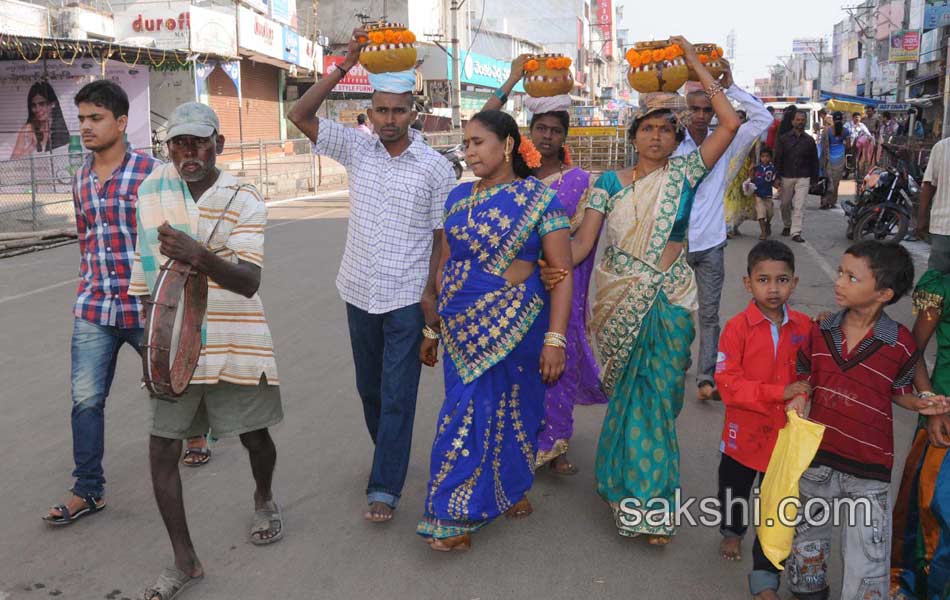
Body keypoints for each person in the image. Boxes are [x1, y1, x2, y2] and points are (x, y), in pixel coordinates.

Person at [564, 36, 740, 544]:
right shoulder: (609, 185)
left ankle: (643, 492)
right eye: (649, 129)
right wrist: (545, 265)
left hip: (671, 298)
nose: (658, 137)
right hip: (619, 299)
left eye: (667, 129)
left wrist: (692, 65)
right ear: (634, 136)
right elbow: (582, 247)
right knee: (629, 401)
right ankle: (643, 503)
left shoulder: (687, 173)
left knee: (660, 403)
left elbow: (729, 123)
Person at [288, 29, 456, 523]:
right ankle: (389, 452)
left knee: (399, 394)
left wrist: (432, 300)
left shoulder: (435, 168)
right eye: (381, 110)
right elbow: (299, 115)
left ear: (414, 112)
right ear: (370, 113)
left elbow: (441, 241)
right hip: (358, 290)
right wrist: (345, 63)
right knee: (371, 391)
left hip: (406, 297)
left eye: (398, 110)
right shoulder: (356, 149)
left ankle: (384, 485)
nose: (389, 119)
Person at [128, 102, 284, 598]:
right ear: (168, 146)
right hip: (174, 343)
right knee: (161, 447)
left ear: (219, 142)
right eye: (178, 143)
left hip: (236, 338)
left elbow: (248, 280)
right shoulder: (151, 192)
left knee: (254, 437)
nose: (188, 152)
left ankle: (264, 497)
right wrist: (152, 349)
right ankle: (184, 559)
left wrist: (198, 254)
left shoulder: (243, 195)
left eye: (198, 141)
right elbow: (145, 279)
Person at [415, 109, 574, 551]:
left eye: (477, 142)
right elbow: (446, 262)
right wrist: (433, 329)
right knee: (464, 412)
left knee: (516, 411)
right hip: (461, 326)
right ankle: (460, 505)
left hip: (518, 325)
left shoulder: (540, 199)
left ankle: (490, 497)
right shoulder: (458, 197)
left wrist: (555, 340)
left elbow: (562, 272)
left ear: (506, 144)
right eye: (465, 144)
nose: (468, 152)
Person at [789, 241, 949, 600]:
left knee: (867, 553)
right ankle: (809, 592)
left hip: (869, 470)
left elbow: (898, 390)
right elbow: (804, 372)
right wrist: (800, 395)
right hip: (817, 460)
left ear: (884, 294)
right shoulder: (822, 330)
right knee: (808, 540)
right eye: (841, 273)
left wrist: (922, 404)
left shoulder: (900, 343)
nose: (839, 282)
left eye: (851, 277)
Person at [42, 81, 160, 526]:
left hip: (145, 307)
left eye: (96, 118)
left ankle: (195, 435)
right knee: (86, 401)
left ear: (122, 122)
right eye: (82, 119)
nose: (85, 127)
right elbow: (87, 242)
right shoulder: (79, 181)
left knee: (171, 388)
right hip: (94, 308)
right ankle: (87, 489)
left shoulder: (153, 173)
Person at [483, 61, 608, 474]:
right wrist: (512, 80)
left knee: (560, 356)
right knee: (520, 361)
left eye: (556, 131)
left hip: (557, 282)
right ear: (528, 131)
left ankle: (556, 441)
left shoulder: (579, 181)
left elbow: (582, 243)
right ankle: (522, 436)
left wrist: (547, 264)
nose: (548, 137)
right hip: (515, 285)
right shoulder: (514, 171)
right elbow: (482, 124)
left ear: (565, 136)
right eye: (541, 129)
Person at [714, 241, 812, 600]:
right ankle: (732, 531)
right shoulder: (737, 329)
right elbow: (728, 384)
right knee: (735, 490)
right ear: (748, 284)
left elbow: (810, 370)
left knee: (776, 505)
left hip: (784, 437)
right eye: (764, 280)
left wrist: (804, 391)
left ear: (794, 283)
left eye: (782, 280)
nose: (773, 288)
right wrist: (780, 392)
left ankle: (765, 571)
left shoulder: (803, 327)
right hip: (744, 435)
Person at [673, 56, 771, 401]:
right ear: (686, 109)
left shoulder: (728, 143)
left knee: (709, 315)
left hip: (711, 242)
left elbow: (763, 118)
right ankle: (681, 360)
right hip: (676, 245)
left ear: (714, 111)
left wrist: (731, 87)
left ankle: (706, 376)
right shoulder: (673, 143)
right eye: (695, 109)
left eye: (706, 109)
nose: (701, 115)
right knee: (679, 311)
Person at [891, 266, 950, 599]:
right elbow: (913, 352)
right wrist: (929, 401)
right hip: (944, 418)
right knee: (932, 512)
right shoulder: (941, 287)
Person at [774, 110, 819, 243]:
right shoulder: (783, 139)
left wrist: (815, 179)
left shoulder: (810, 140)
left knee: (800, 205)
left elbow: (814, 161)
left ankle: (796, 232)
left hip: (803, 176)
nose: (800, 122)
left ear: (805, 121)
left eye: (802, 120)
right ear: (793, 122)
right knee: (785, 204)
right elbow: (778, 158)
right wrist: (776, 177)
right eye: (798, 120)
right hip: (786, 175)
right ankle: (787, 225)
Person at [10, 80, 71, 159]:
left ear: (52, 104)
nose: (37, 109)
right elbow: (12, 162)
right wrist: (31, 147)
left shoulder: (61, 128)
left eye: (42, 104)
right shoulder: (27, 129)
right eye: (33, 105)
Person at [918, 136, 950, 274]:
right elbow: (929, 184)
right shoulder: (942, 147)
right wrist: (922, 218)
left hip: (943, 226)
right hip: (944, 227)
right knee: (936, 279)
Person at [820, 111, 849, 210]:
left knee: (828, 180)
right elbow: (848, 145)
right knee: (836, 181)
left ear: (832, 119)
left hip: (829, 157)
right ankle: (832, 201)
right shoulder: (845, 131)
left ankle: (825, 201)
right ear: (842, 119)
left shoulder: (827, 131)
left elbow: (823, 145)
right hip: (840, 157)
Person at [751, 148, 777, 239]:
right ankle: (763, 232)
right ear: (760, 158)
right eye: (763, 156)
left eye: (767, 157)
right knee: (761, 214)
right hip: (758, 195)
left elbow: (774, 181)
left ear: (770, 158)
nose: (765, 159)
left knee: (770, 213)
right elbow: (752, 179)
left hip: (768, 195)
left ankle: (768, 224)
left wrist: (778, 187)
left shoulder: (772, 169)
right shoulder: (757, 168)